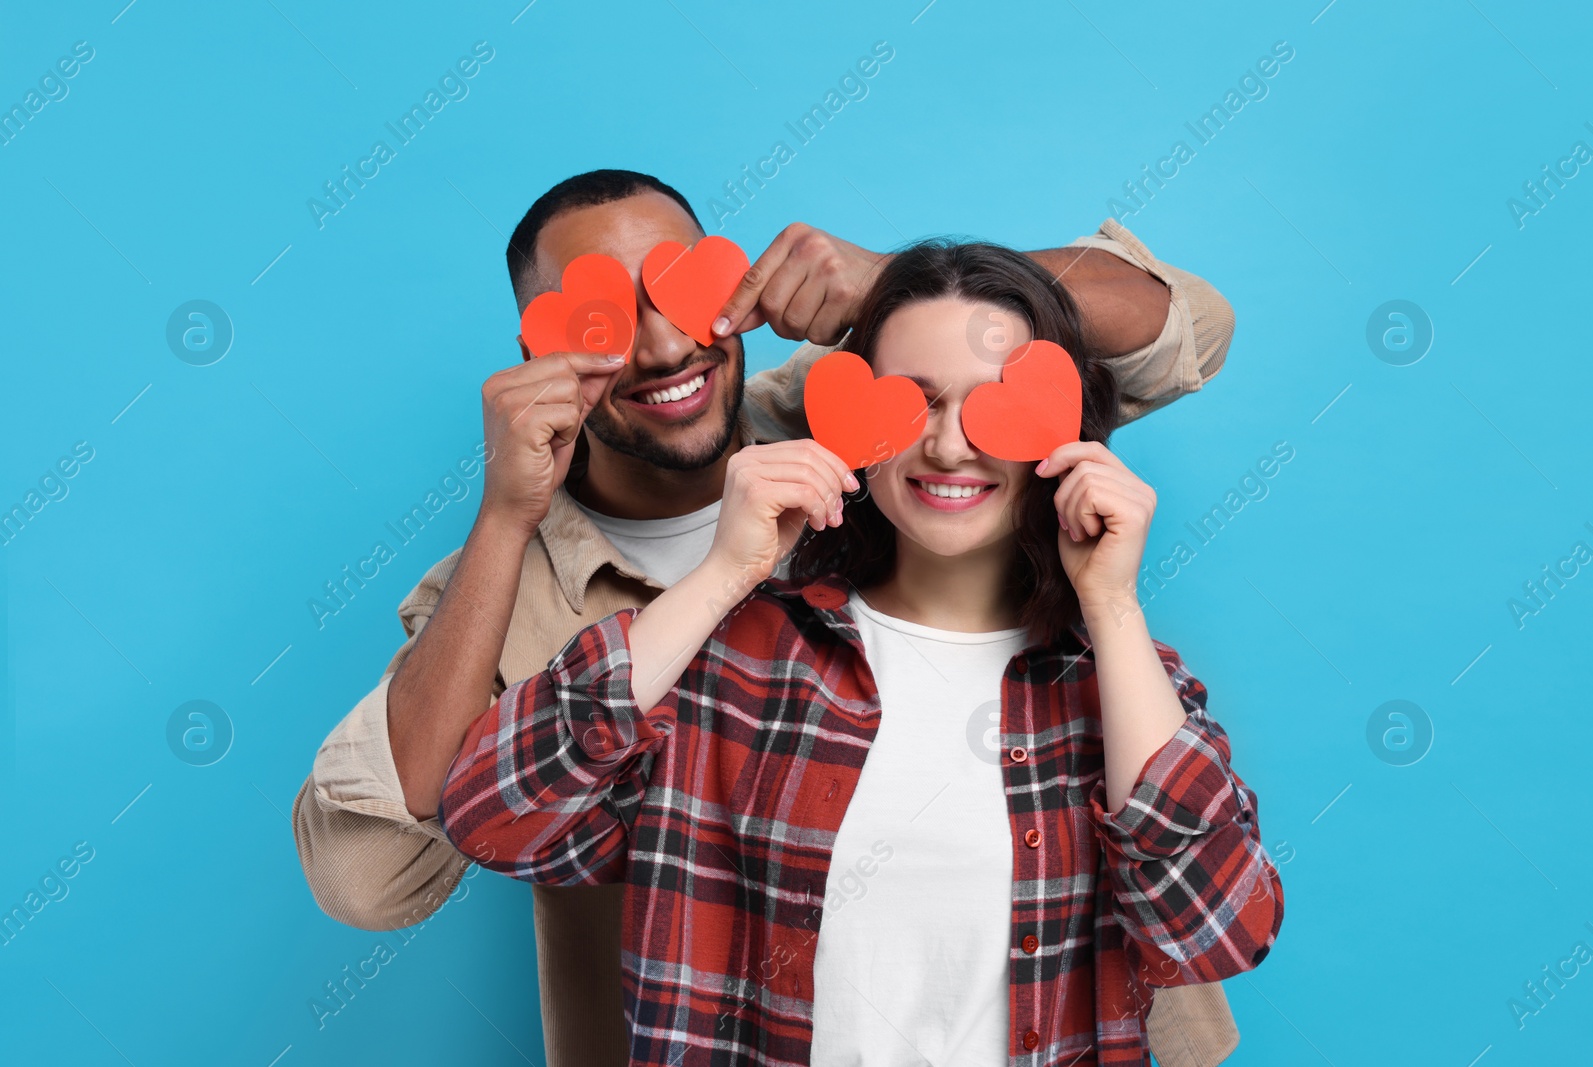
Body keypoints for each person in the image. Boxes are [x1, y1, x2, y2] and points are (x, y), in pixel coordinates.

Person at [291, 169, 1244, 1066]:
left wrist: (899, 290)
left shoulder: (864, 427)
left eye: (680, 291)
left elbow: (1189, 327)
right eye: (605, 321)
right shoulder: (520, 595)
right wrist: (507, 515)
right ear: (538, 355)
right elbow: (373, 878)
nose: (665, 347)